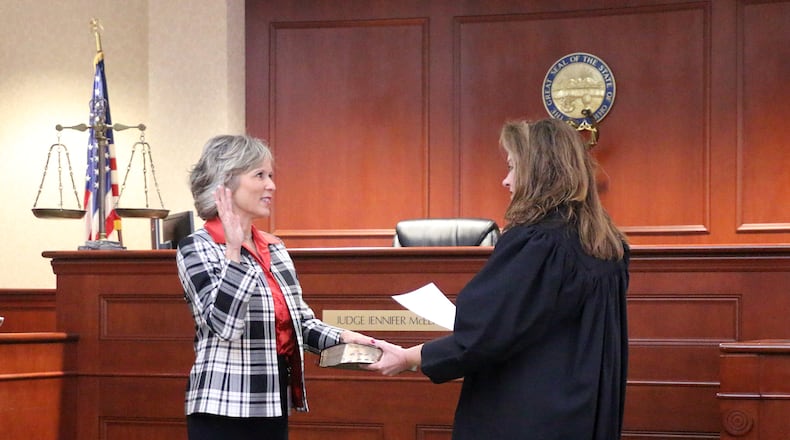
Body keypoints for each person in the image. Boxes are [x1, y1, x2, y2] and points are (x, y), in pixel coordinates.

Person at [367, 118, 630, 439]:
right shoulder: (607, 243)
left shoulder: (538, 242)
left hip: (527, 414)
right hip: (583, 411)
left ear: (540, 172)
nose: (506, 181)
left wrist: (409, 357)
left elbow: (486, 334)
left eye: (512, 167)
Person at [176, 134, 375, 440]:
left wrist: (347, 339)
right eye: (260, 175)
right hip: (222, 407)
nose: (272, 185)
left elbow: (301, 325)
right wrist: (234, 251)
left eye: (271, 175)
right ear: (225, 184)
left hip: (271, 403)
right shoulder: (196, 248)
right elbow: (224, 327)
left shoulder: (274, 248)